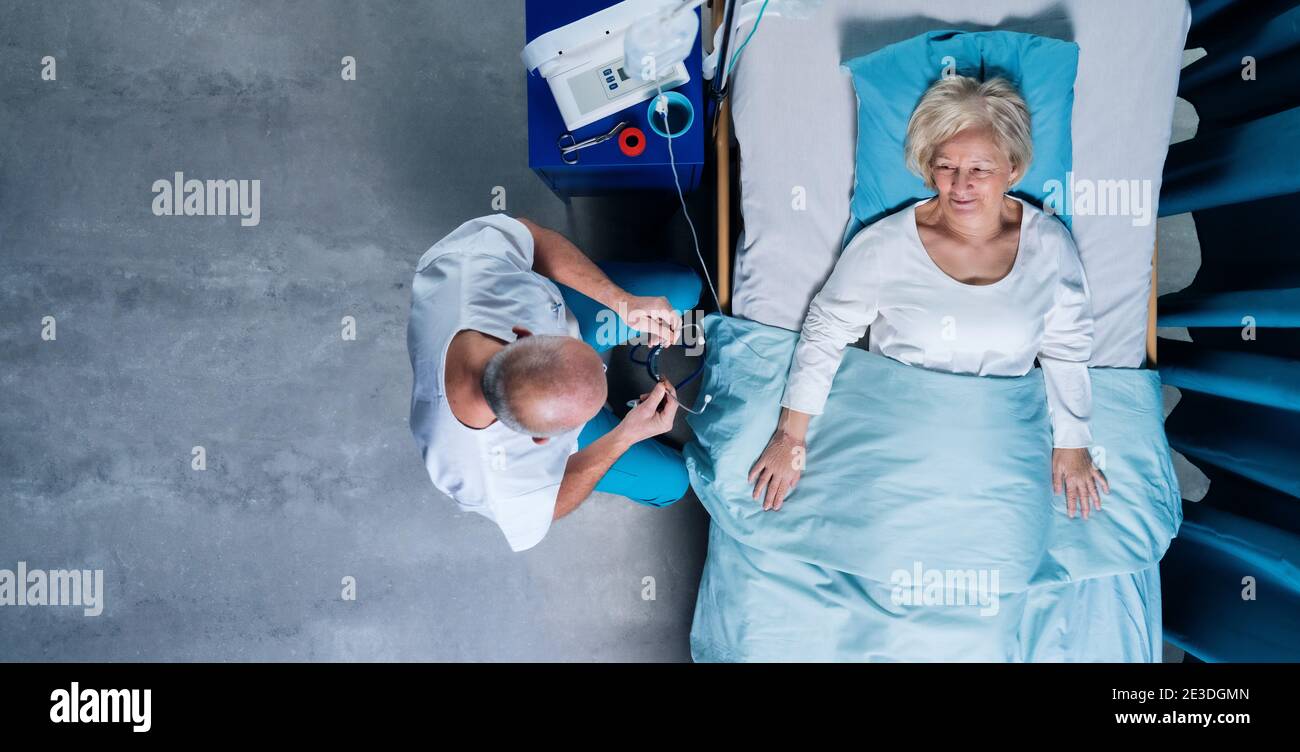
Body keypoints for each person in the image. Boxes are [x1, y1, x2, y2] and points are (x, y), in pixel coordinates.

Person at [748, 75, 1109, 519]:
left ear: (1013, 169)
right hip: (902, 437)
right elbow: (825, 334)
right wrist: (791, 437)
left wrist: (1073, 443)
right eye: (945, 166)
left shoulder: (1050, 246)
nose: (960, 184)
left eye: (979, 168)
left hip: (999, 440)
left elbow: (1067, 349)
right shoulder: (885, 246)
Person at [407, 214, 702, 551]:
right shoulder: (488, 480)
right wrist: (624, 436)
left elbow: (533, 237)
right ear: (542, 440)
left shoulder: (469, 265)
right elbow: (552, 504)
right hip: (561, 430)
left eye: (577, 347)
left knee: (682, 291)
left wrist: (621, 302)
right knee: (673, 483)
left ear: (522, 333)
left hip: (562, 315)